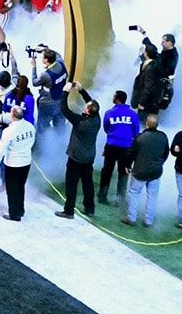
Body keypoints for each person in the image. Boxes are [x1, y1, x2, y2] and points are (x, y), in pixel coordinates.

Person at [56, 85, 101, 219]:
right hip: (88, 157)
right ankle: (90, 208)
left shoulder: (80, 121)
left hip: (75, 158)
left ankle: (69, 210)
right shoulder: (96, 119)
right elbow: (91, 103)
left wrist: (65, 92)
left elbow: (64, 109)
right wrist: (81, 90)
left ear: (87, 111)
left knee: (72, 184)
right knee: (88, 183)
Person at [122, 113, 170, 227]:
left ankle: (131, 218)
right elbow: (166, 153)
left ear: (147, 124)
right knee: (152, 197)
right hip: (156, 172)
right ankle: (149, 221)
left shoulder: (140, 137)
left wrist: (127, 165)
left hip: (140, 172)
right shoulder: (163, 137)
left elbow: (131, 153)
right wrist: (159, 164)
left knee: (134, 193)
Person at [0, 104, 36, 221]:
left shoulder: (9, 131)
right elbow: (32, 141)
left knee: (12, 189)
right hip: (26, 162)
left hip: (13, 163)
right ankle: (20, 210)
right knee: (21, 187)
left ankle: (14, 214)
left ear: (12, 116)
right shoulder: (30, 126)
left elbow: (1, 149)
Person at [98, 90, 140, 205]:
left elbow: (106, 128)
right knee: (123, 173)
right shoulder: (133, 114)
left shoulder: (109, 113)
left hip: (111, 145)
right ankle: (119, 199)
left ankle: (102, 196)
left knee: (107, 172)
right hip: (126, 148)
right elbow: (136, 131)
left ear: (116, 99)